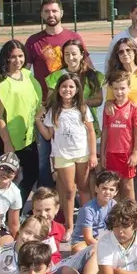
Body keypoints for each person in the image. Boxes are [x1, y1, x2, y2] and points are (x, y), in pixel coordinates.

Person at [25, 0, 87, 189]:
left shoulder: (74, 38)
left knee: (75, 152)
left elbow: (87, 69)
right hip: (46, 108)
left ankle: (73, 192)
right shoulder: (34, 42)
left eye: (54, 11)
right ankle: (46, 196)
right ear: (42, 14)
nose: (51, 15)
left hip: (72, 109)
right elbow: (26, 73)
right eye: (46, 11)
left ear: (61, 13)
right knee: (45, 156)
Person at [0, 40, 42, 204]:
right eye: (13, 57)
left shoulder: (28, 76)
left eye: (20, 56)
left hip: (28, 137)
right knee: (8, 177)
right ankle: (2, 210)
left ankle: (16, 209)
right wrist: (7, 143)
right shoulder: (0, 83)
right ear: (6, 59)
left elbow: (36, 104)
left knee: (32, 173)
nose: (17, 60)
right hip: (8, 138)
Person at [39, 72, 96, 234]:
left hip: (82, 154)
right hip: (63, 155)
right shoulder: (54, 111)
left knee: (84, 188)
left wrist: (92, 154)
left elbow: (91, 132)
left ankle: (86, 223)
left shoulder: (83, 109)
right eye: (64, 86)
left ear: (77, 89)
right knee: (70, 190)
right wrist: (38, 120)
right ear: (58, 89)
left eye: (71, 86)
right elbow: (49, 135)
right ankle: (69, 226)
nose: (67, 90)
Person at [101, 70, 137, 202]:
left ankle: (132, 214)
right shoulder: (108, 108)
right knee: (113, 185)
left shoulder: (133, 108)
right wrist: (102, 153)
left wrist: (135, 153)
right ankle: (116, 214)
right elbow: (105, 131)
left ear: (129, 88)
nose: (119, 92)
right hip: (111, 153)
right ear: (112, 89)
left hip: (126, 153)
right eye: (116, 89)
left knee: (128, 186)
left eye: (123, 88)